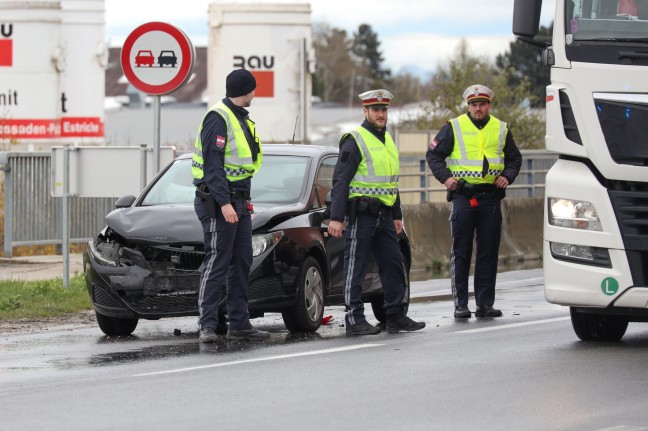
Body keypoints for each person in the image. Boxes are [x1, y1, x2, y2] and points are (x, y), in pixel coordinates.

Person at [328, 89, 426, 336]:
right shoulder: (355, 138)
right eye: (376, 110)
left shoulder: (388, 140)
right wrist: (337, 218)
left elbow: (391, 182)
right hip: (361, 214)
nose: (381, 114)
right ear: (366, 111)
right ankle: (354, 320)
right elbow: (340, 180)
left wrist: (396, 215)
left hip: (384, 214)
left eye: (384, 110)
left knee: (394, 264)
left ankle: (395, 316)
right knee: (356, 268)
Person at [426, 84, 522, 319]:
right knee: (462, 251)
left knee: (488, 253)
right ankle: (461, 304)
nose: (478, 108)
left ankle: (485, 304)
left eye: (482, 104)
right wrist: (446, 178)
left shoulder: (501, 128)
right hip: (464, 197)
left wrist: (507, 176)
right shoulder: (454, 126)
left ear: (489, 105)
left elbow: (515, 158)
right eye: (474, 104)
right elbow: (433, 155)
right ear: (468, 106)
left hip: (490, 198)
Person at [192, 68, 270, 343]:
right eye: (253, 89)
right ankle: (208, 325)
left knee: (241, 262)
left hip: (239, 200)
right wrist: (224, 202)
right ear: (247, 91)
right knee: (217, 261)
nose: (255, 94)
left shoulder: (242, 119)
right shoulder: (219, 117)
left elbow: (243, 165)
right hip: (217, 201)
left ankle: (239, 324)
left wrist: (239, 202)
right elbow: (213, 165)